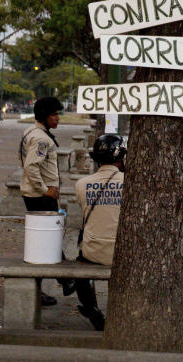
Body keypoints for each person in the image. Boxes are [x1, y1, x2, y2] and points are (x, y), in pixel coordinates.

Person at [19, 96, 73, 305]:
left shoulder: (33, 132)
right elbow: (31, 166)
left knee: (44, 243)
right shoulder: (42, 139)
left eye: (59, 113)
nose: (58, 118)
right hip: (41, 196)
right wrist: (45, 190)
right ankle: (65, 280)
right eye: (54, 114)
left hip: (35, 194)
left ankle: (60, 282)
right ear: (44, 116)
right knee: (45, 244)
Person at [73, 133, 126, 330]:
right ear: (121, 158)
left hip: (93, 251)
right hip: (123, 252)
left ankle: (91, 308)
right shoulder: (132, 184)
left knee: (79, 262)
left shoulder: (81, 184)